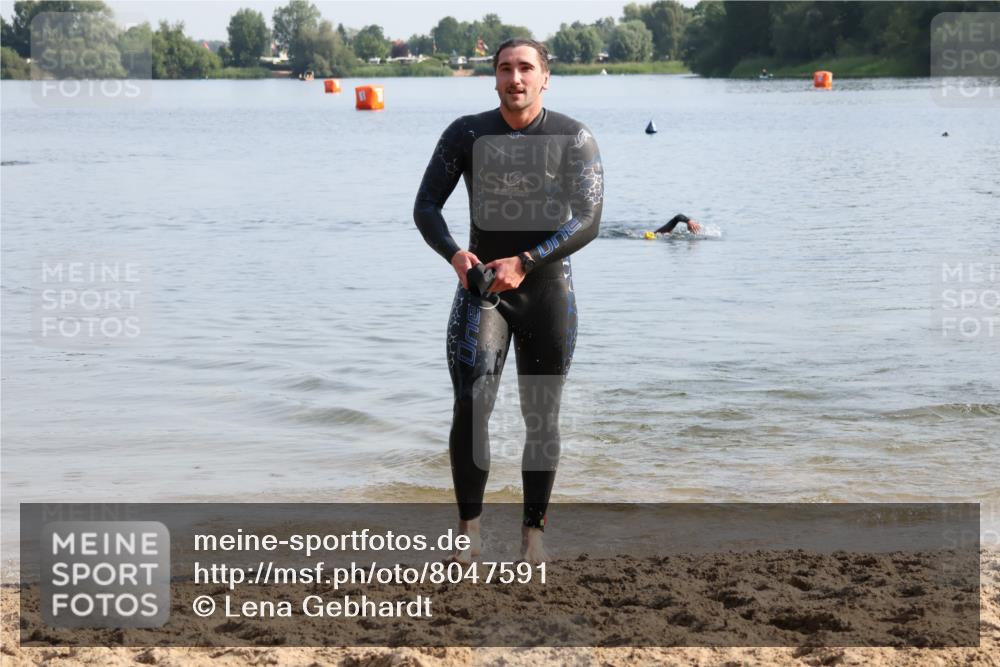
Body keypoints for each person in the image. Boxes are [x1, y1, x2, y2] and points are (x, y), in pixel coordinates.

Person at [413, 38, 604, 564]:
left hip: (546, 289)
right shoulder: (467, 133)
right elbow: (426, 206)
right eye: (504, 69)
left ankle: (533, 538)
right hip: (481, 293)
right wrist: (456, 256)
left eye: (525, 69)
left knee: (541, 415)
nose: (514, 78)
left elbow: (587, 219)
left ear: (545, 78)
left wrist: (525, 260)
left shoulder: (573, 136)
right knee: (471, 407)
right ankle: (468, 537)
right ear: (493, 78)